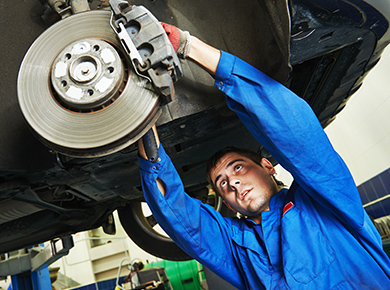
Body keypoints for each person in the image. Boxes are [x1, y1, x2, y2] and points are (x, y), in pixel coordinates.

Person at [137, 23, 390, 289]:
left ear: (268, 166)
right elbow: (177, 213)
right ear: (227, 205)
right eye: (222, 184)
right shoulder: (238, 249)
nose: (232, 184)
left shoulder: (325, 201)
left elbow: (297, 135)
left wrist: (188, 46)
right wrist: (139, 109)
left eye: (238, 168)